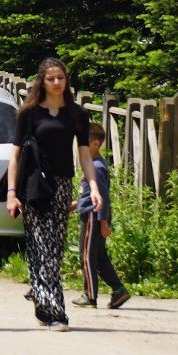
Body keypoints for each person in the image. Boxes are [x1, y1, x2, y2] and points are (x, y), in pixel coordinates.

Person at [5, 58, 101, 331]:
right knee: (42, 247)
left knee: (53, 249)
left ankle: (40, 293)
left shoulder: (77, 115)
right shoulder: (29, 113)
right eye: (51, 78)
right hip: (34, 186)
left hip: (62, 186)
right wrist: (12, 194)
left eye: (61, 78)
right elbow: (15, 156)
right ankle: (56, 310)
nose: (57, 83)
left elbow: (84, 154)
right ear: (42, 82)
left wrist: (93, 187)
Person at [72, 122, 130, 310]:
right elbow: (90, 192)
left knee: (87, 256)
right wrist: (76, 203)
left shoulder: (96, 167)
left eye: (84, 141)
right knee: (99, 257)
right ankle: (118, 290)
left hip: (93, 217)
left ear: (95, 143)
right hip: (92, 214)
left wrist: (103, 221)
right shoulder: (94, 165)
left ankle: (90, 296)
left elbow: (102, 196)